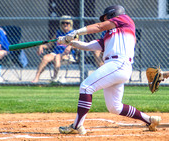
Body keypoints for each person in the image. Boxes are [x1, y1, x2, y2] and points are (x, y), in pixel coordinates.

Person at [57, 5, 161, 134]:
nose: (104, 20)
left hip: (118, 63)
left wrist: (75, 32)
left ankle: (77, 125)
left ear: (114, 14)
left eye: (106, 17)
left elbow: (99, 26)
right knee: (114, 107)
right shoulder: (109, 35)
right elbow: (89, 46)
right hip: (116, 66)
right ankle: (149, 119)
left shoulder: (125, 19)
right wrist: (68, 42)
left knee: (86, 87)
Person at [31, 15, 77, 83]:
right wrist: (42, 46)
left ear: (70, 24)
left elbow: (76, 42)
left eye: (67, 23)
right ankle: (36, 77)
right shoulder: (58, 32)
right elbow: (50, 44)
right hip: (56, 52)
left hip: (67, 54)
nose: (65, 24)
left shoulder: (74, 33)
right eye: (63, 23)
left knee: (57, 57)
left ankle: (54, 78)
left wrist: (70, 46)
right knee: (45, 58)